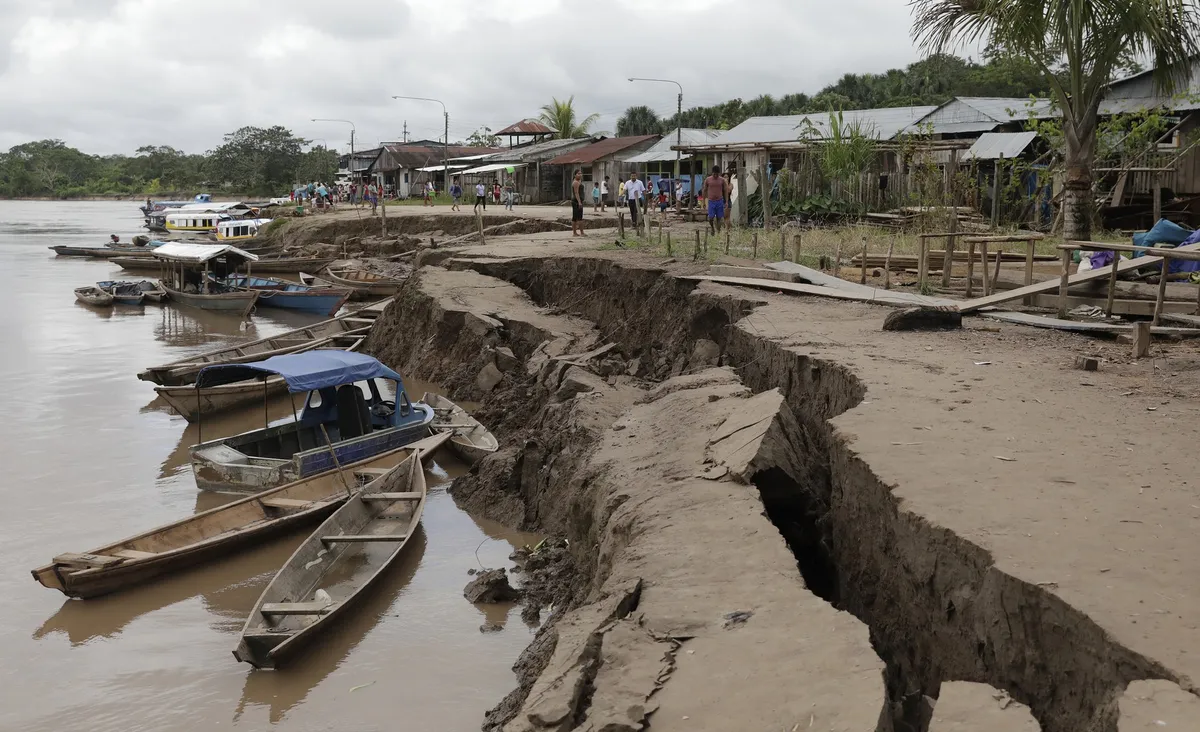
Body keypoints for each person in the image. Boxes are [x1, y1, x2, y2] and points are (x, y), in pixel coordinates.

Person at [703, 165, 730, 234]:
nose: (715, 175)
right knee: (710, 218)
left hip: (719, 201)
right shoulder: (708, 179)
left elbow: (726, 191)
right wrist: (703, 202)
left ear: (719, 173)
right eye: (714, 174)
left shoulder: (722, 180)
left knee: (719, 217)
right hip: (711, 201)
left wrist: (726, 201)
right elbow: (704, 190)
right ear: (712, 173)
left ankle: (718, 231)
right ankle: (712, 228)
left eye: (716, 174)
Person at [571, 169, 586, 237]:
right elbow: (576, 193)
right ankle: (580, 232)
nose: (580, 175)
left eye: (581, 173)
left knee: (577, 217)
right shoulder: (575, 182)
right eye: (578, 173)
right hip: (576, 202)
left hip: (577, 201)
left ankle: (576, 232)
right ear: (575, 175)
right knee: (578, 217)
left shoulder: (579, 181)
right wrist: (579, 202)